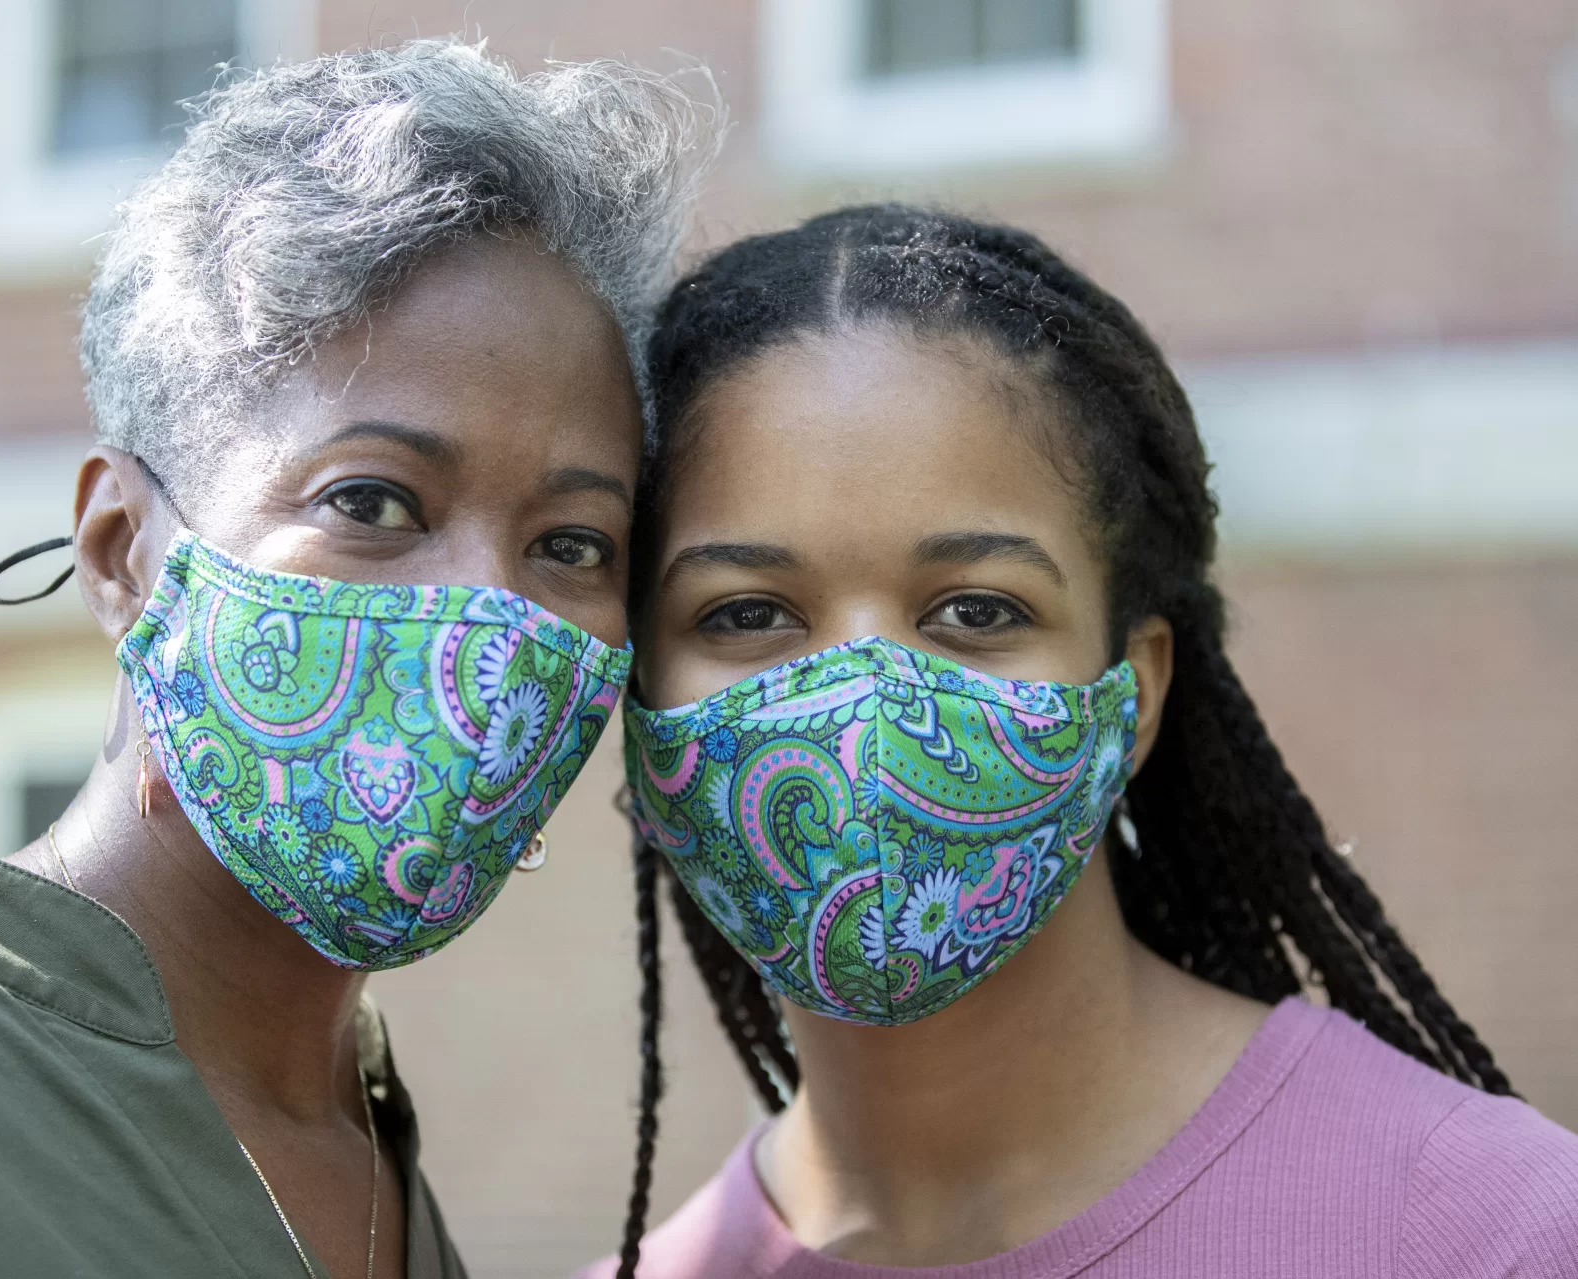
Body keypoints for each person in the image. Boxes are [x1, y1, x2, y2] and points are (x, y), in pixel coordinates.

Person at [0, 40, 709, 1279]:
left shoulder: (358, 1141)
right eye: (371, 503)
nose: (488, 619)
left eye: (571, 542)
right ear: (121, 552)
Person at [587, 205, 1578, 1278]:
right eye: (744, 613)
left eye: (974, 610)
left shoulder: (1487, 1231)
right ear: (638, 702)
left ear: (1135, 693)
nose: (862, 703)